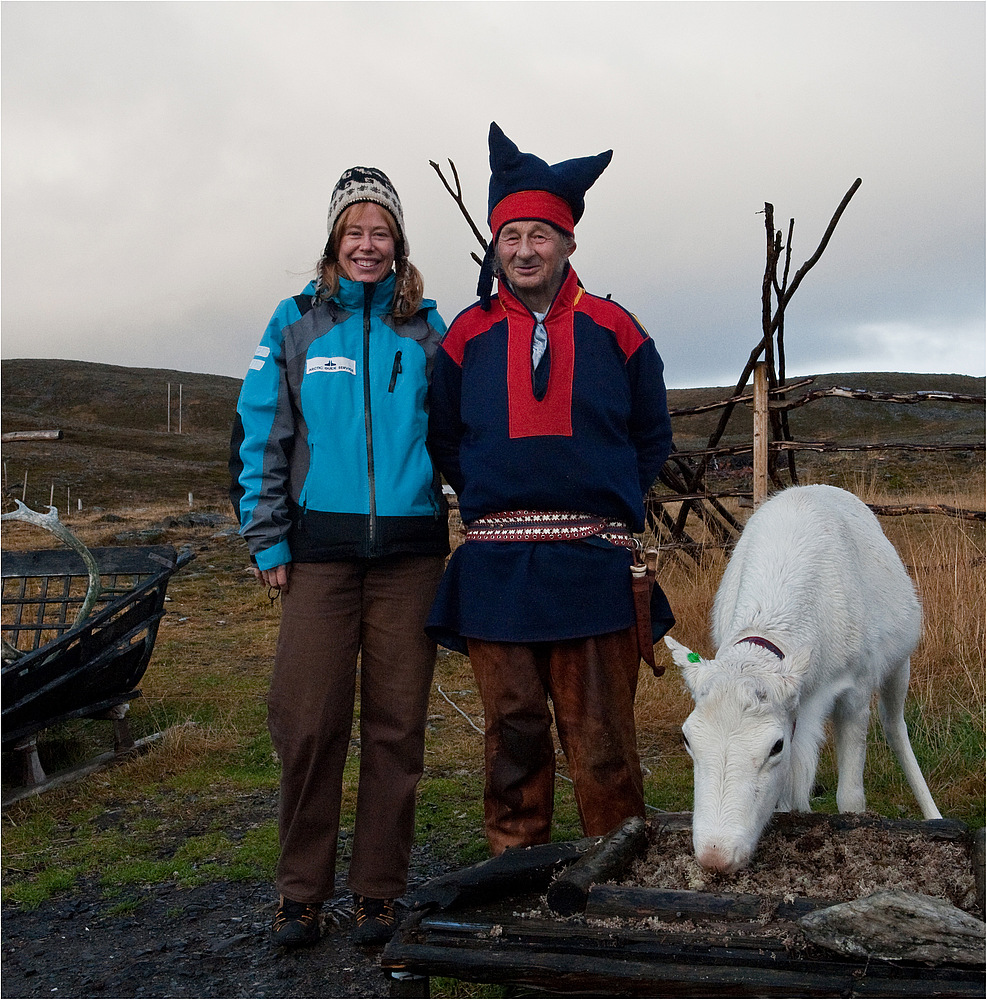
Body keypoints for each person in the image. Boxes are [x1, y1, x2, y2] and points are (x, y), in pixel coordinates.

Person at [426, 123, 674, 856]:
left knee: (601, 743)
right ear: (494, 245)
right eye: (512, 236)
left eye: (541, 234)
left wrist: (602, 502)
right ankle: (516, 875)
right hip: (497, 571)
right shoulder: (465, 335)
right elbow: (444, 437)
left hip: (592, 566)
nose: (525, 249)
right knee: (513, 740)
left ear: (567, 244)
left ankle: (616, 877)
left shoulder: (616, 330)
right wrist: (497, 496)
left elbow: (650, 436)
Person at [229, 166, 449, 948]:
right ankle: (301, 894)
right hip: (317, 556)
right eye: (354, 231)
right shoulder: (294, 323)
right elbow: (260, 432)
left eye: (380, 231)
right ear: (333, 240)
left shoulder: (427, 329)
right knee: (309, 723)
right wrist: (268, 538)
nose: (367, 244)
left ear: (398, 243)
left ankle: (379, 892)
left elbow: (460, 434)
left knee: (397, 730)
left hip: (410, 556)